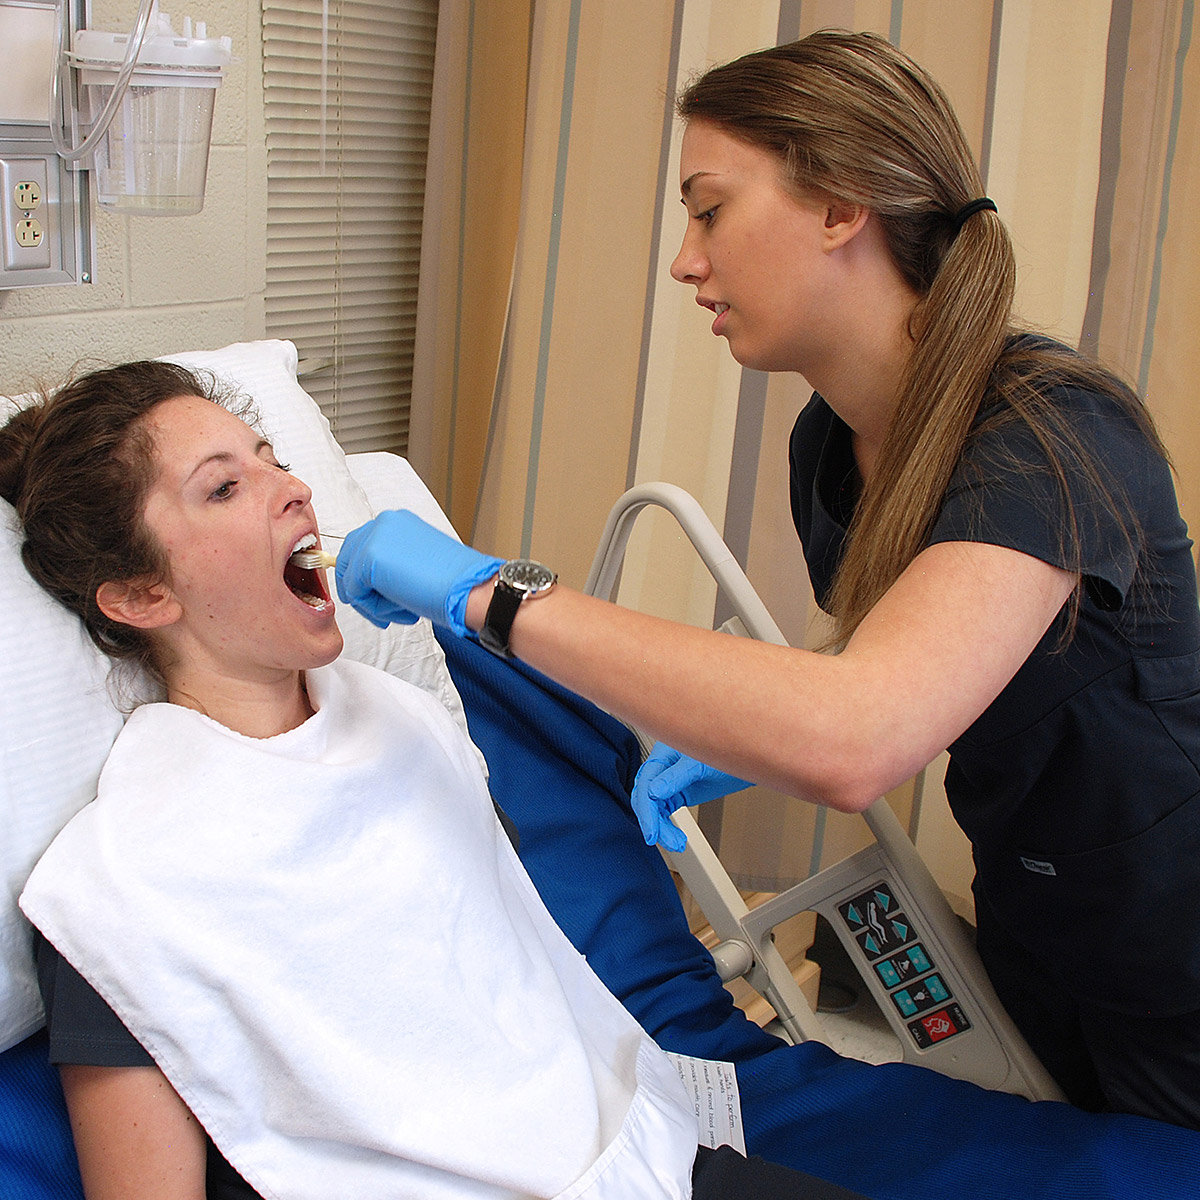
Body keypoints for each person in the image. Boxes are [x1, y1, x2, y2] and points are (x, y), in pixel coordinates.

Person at [332, 30, 1200, 1131]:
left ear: (841, 206)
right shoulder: (830, 447)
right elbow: (923, 647)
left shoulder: (1050, 433)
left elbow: (859, 734)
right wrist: (756, 722)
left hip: (1172, 943)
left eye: (709, 211)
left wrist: (490, 594)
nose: (685, 261)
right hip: (1044, 918)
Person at [2, 361, 865, 1200]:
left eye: (272, 457)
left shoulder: (408, 721)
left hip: (650, 1158)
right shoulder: (119, 885)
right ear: (141, 597)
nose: (294, 488)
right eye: (224, 487)